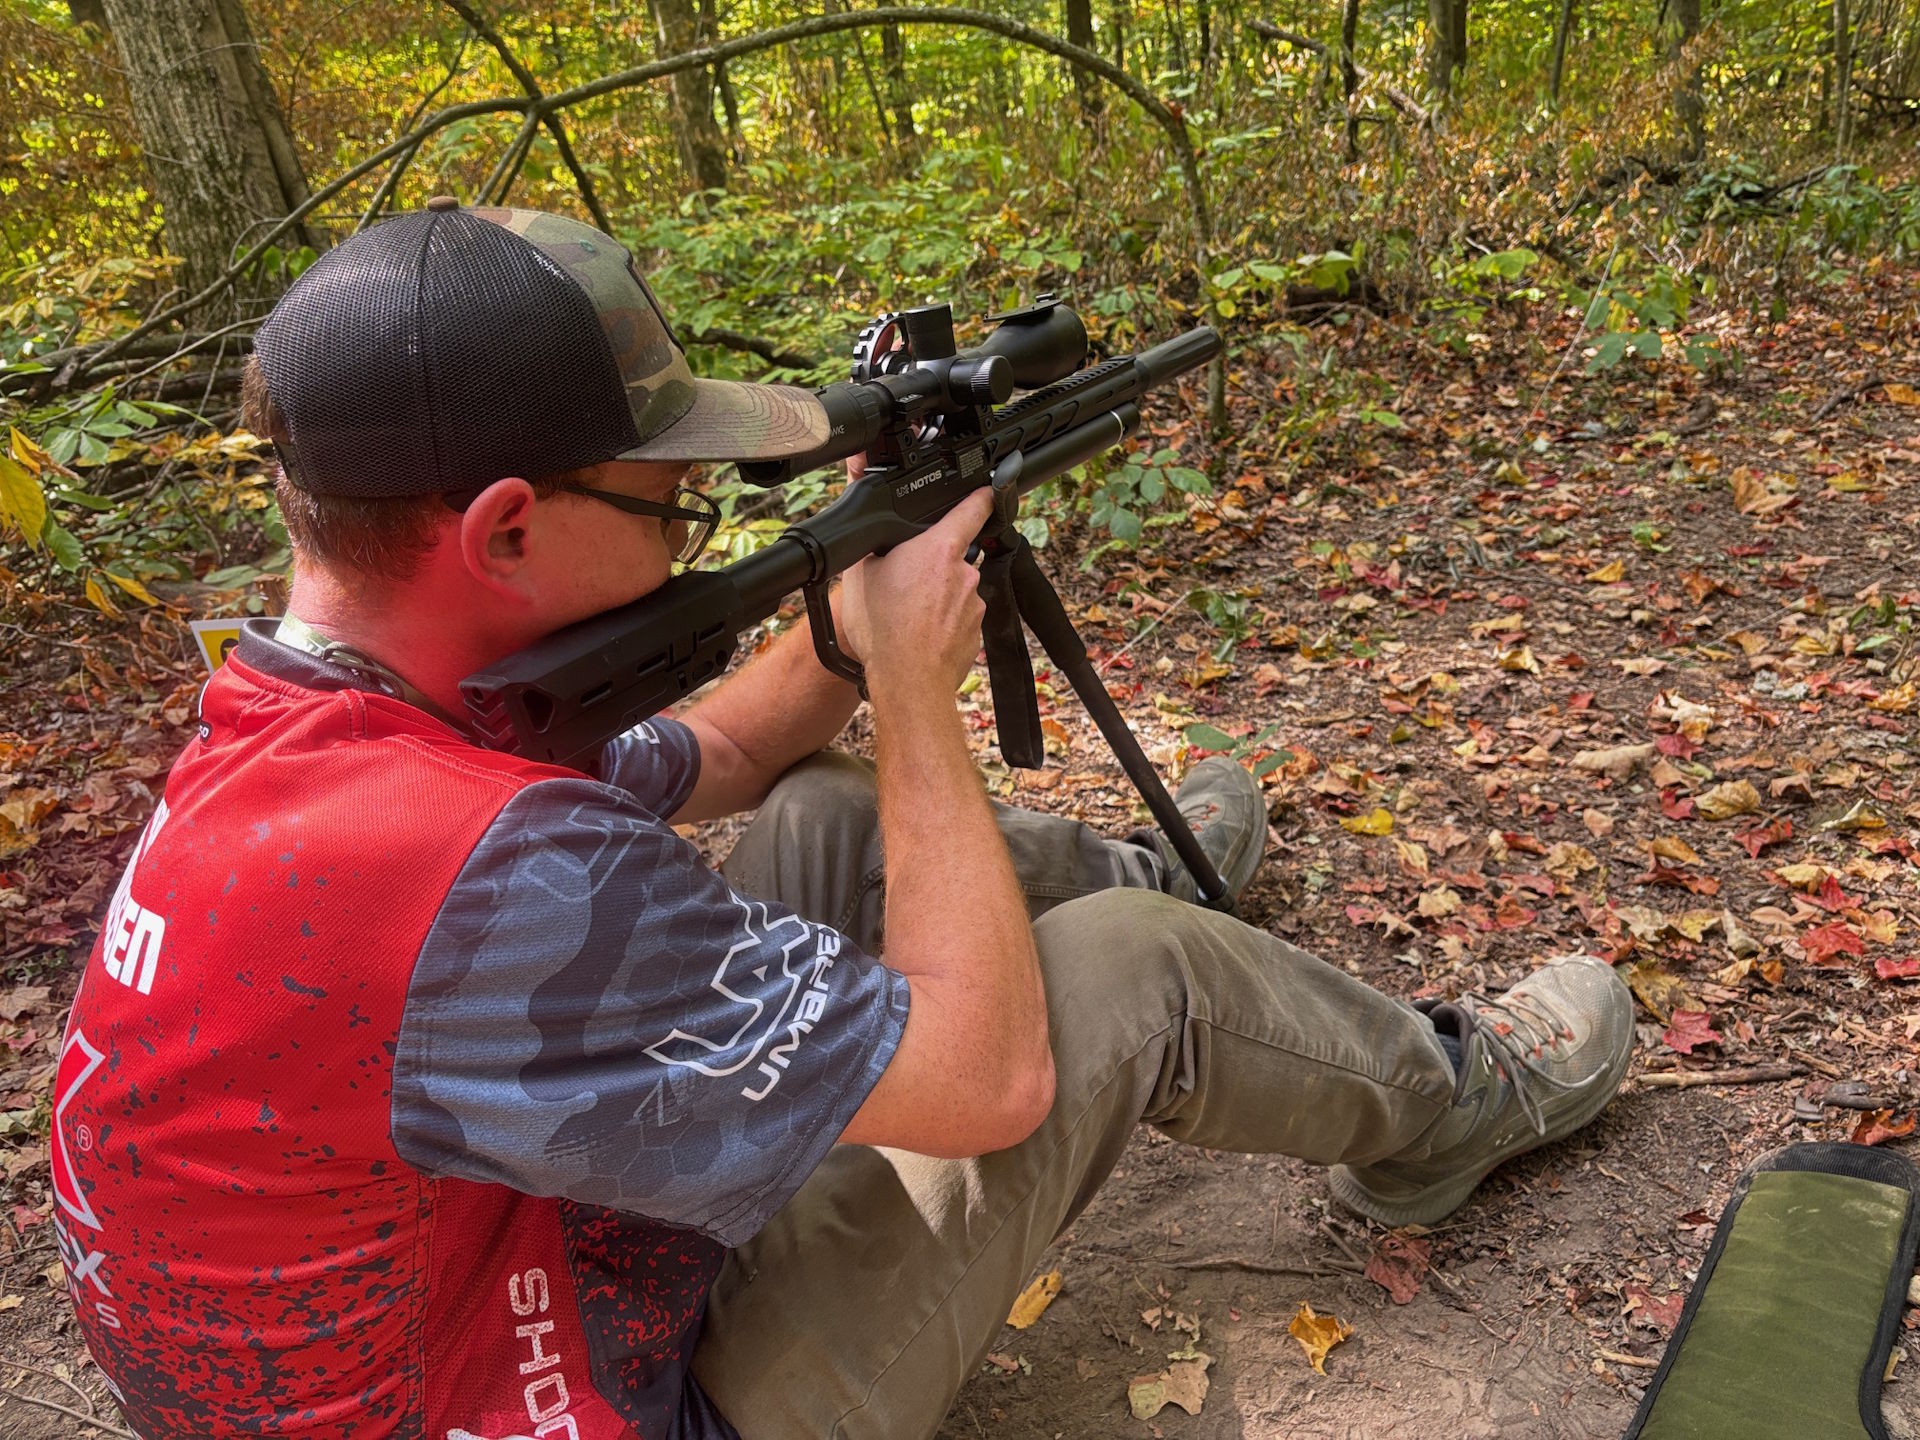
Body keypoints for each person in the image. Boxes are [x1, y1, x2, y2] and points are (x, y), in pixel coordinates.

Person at [53, 201, 1633, 1440]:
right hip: (605, 1399)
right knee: (1135, 967)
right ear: (507, 530)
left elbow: (730, 746)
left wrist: (866, 554)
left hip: (490, 1302)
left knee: (813, 809)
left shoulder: (313, 743)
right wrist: (917, 680)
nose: (691, 540)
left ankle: (1142, 860)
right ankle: (1451, 1105)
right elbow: (989, 1082)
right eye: (670, 507)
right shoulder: (492, 868)